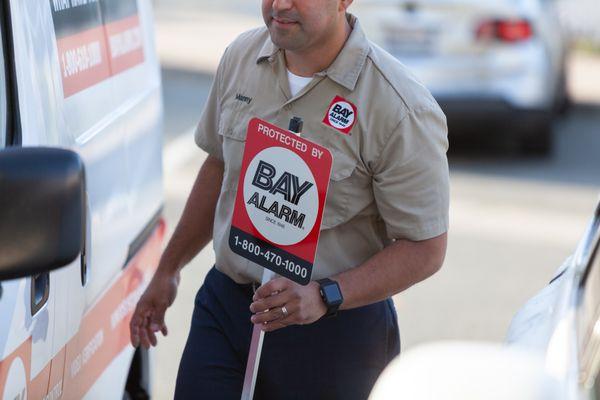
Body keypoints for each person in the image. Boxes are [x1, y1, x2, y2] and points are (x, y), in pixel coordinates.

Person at [130, 0, 449, 398]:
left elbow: (426, 248)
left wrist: (324, 295)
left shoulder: (401, 107)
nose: (280, 3)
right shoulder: (241, 57)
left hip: (331, 332)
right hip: (229, 307)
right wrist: (168, 269)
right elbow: (218, 166)